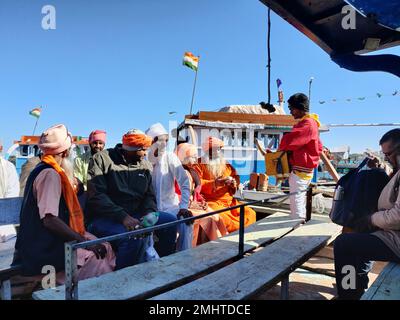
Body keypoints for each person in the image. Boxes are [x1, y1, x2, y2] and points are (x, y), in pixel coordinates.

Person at [13, 124, 115, 282]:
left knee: (105, 246)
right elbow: (50, 220)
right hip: (44, 246)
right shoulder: (50, 174)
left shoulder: (44, 168)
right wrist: (84, 243)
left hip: (40, 240)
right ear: (66, 152)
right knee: (97, 254)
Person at [86, 129, 177, 270]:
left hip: (135, 216)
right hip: (104, 218)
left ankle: (163, 270)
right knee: (133, 237)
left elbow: (148, 195)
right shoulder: (102, 159)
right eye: (142, 150)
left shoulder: (145, 165)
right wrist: (123, 217)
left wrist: (150, 213)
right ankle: (124, 282)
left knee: (170, 222)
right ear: (130, 149)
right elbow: (97, 197)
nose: (145, 154)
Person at [334, 129, 400, 300]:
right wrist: (381, 168)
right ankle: (357, 285)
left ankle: (348, 295)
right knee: (360, 238)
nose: (387, 158)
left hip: (396, 240)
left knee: (343, 244)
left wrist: (370, 219)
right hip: (393, 234)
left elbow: (397, 217)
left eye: (389, 154)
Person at [193, 136, 256, 233]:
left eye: (219, 149)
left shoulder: (226, 164)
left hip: (230, 203)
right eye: (214, 149)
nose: (217, 152)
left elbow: (235, 178)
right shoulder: (198, 164)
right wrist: (215, 183)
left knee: (250, 213)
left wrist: (233, 184)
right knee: (221, 218)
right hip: (211, 201)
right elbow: (196, 183)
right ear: (207, 151)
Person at [146, 123, 193, 251]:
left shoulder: (170, 157)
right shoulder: (144, 159)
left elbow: (184, 183)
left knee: (186, 221)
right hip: (149, 209)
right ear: (152, 141)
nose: (164, 144)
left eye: (166, 140)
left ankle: (183, 256)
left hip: (170, 207)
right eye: (161, 140)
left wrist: (183, 207)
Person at [277, 93, 323, 219]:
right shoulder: (312, 123)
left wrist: (283, 143)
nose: (291, 112)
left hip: (300, 170)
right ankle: (299, 221)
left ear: (299, 107)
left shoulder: (307, 124)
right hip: (305, 169)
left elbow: (292, 140)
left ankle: (297, 225)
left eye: (291, 108)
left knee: (296, 199)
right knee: (299, 198)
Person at [176, 143, 228, 246]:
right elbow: (174, 195)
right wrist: (190, 204)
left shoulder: (192, 171)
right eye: (193, 157)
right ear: (184, 157)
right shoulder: (177, 172)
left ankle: (224, 244)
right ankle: (209, 248)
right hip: (182, 206)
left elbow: (196, 192)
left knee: (218, 217)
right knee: (208, 219)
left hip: (195, 203)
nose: (196, 159)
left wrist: (202, 201)